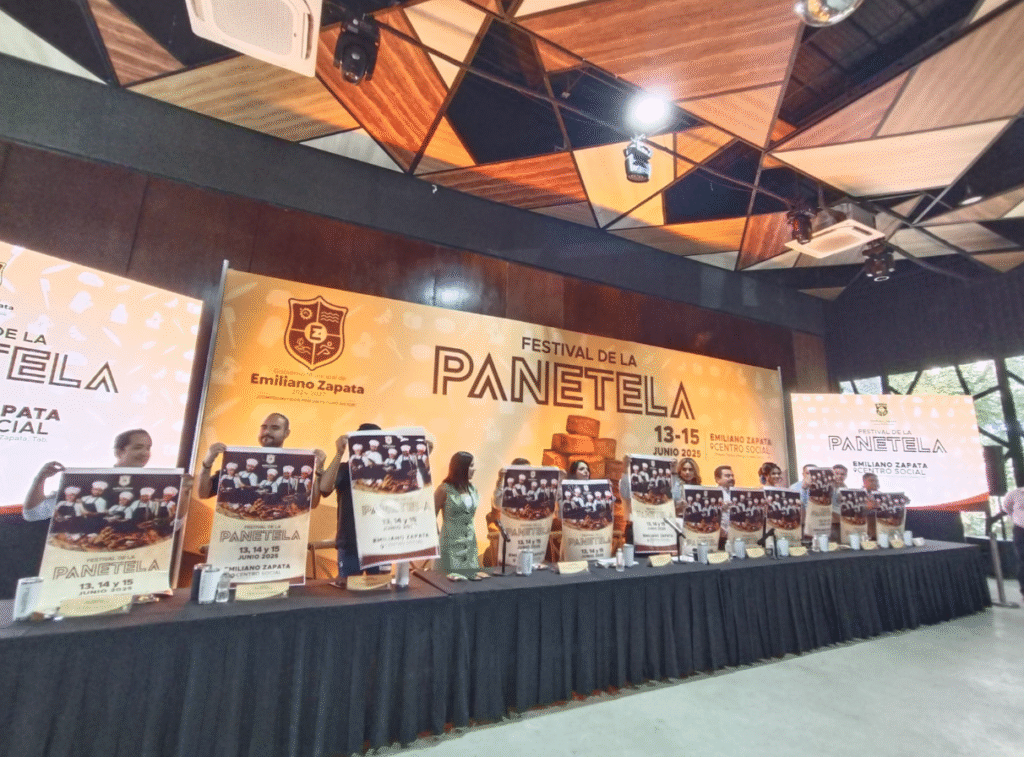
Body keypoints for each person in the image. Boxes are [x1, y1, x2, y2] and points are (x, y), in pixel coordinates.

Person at [22, 428, 153, 522]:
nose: (145, 453)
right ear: (119, 452)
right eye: (138, 447)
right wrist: (39, 479)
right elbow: (33, 514)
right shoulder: (87, 481)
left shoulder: (154, 484)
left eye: (148, 448)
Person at [197, 413, 325, 506]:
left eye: (275, 428)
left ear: (287, 433)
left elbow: (312, 503)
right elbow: (203, 493)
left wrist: (319, 470)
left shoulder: (296, 464)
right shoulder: (239, 460)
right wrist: (207, 463)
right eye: (264, 427)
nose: (267, 431)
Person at [319, 423, 384, 585]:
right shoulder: (345, 468)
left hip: (381, 543)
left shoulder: (386, 471)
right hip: (350, 543)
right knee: (349, 592)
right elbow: (324, 488)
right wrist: (339, 453)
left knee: (381, 592)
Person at [435, 451, 480, 577]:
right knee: (449, 581)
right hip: (450, 544)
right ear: (462, 468)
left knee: (470, 581)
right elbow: (431, 515)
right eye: (471, 466)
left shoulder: (472, 489)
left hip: (469, 543)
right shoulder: (444, 489)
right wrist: (437, 536)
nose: (474, 469)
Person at [714, 465, 735, 546]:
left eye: (732, 476)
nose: (731, 478)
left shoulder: (737, 494)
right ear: (717, 479)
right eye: (727, 476)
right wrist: (720, 508)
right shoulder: (713, 494)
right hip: (720, 537)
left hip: (736, 535)